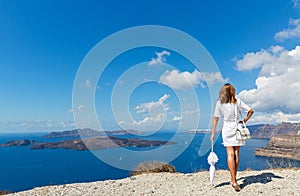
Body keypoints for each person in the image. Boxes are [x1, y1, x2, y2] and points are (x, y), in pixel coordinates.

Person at [210, 83, 254, 192]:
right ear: (233, 91)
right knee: (236, 154)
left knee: (230, 154)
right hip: (238, 128)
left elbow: (216, 118)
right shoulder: (237, 102)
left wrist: (213, 133)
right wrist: (244, 121)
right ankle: (234, 179)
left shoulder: (219, 103)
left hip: (227, 129)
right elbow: (251, 110)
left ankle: (233, 180)